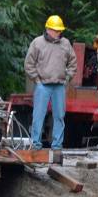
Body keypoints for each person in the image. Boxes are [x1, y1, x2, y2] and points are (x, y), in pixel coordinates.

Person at [24, 15, 77, 150]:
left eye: (60, 30)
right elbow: (29, 64)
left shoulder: (65, 44)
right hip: (42, 85)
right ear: (48, 29)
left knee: (59, 116)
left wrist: (67, 78)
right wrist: (36, 80)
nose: (58, 33)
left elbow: (73, 62)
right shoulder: (37, 43)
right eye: (55, 30)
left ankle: (57, 146)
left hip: (59, 85)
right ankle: (36, 144)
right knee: (38, 116)